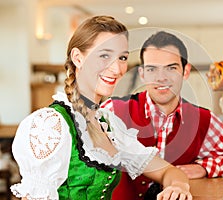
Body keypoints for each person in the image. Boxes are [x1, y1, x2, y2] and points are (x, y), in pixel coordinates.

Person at [10, 16, 192, 200]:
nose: (117, 68)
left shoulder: (109, 124)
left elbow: (168, 171)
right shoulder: (50, 124)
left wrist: (178, 187)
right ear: (78, 58)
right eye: (104, 55)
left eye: (122, 58)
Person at [100, 31, 223, 199]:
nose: (161, 78)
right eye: (152, 69)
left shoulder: (203, 120)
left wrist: (205, 167)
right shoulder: (112, 111)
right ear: (142, 74)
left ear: (185, 71)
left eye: (171, 68)